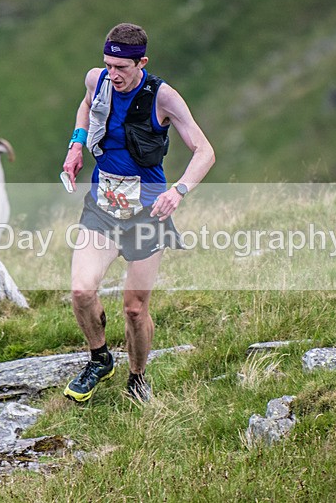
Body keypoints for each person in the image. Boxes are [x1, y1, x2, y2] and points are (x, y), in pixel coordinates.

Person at [61, 22, 215, 403]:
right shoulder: (97, 80)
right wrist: (76, 145)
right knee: (81, 290)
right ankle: (100, 359)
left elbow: (204, 151)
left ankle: (137, 377)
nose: (112, 75)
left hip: (147, 214)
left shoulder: (164, 97)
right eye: (108, 65)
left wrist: (179, 191)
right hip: (102, 205)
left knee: (134, 309)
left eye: (122, 68)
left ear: (141, 62)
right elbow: (85, 105)